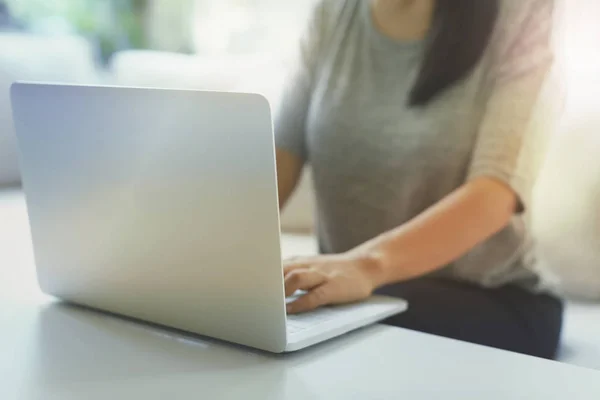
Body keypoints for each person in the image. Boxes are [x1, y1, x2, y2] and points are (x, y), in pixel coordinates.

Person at [275, 0, 563, 359]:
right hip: (353, 293)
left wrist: (365, 266)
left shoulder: (521, 12)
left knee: (337, 346)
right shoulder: (332, 12)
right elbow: (278, 161)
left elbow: (494, 194)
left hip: (491, 299)